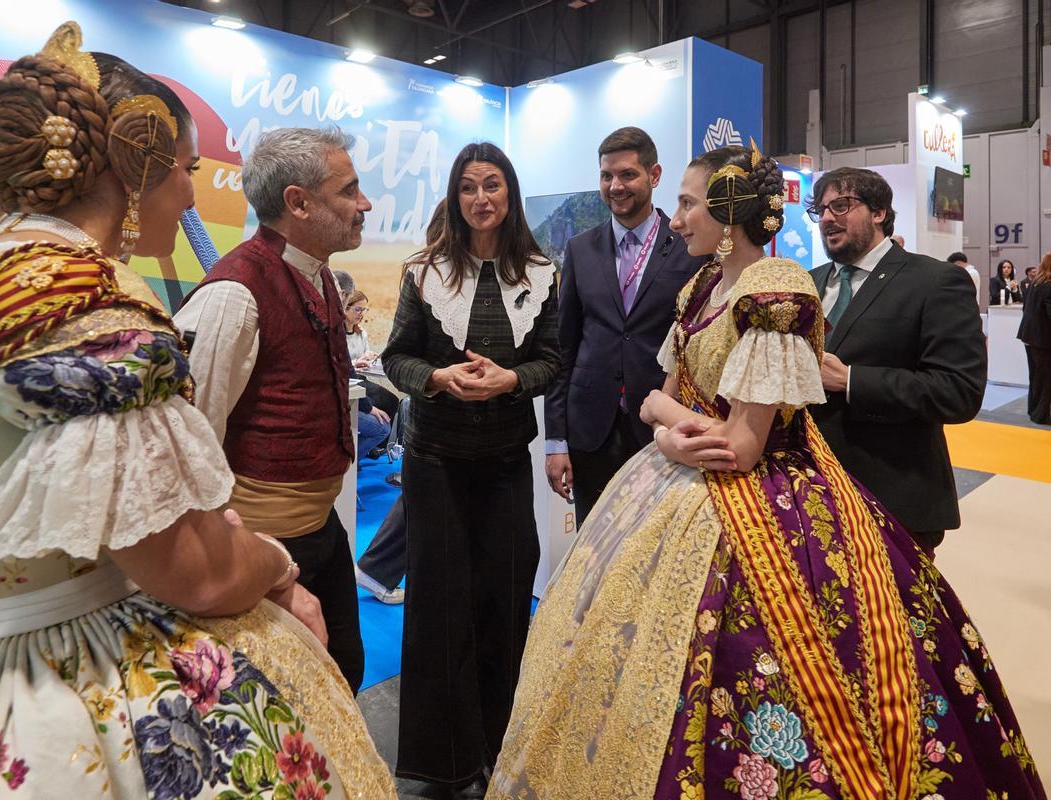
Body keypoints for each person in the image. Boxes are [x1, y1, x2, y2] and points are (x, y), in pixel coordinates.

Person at [0, 24, 395, 799]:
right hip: (57, 679)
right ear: (136, 166)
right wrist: (277, 567)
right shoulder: (99, 312)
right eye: (184, 170)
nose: (189, 192)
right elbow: (188, 569)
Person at [488, 144, 1045, 800]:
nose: (677, 220)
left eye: (690, 205)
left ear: (729, 213)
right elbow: (659, 396)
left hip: (764, 502)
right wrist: (675, 433)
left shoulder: (777, 290)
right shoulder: (701, 286)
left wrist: (675, 426)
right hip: (681, 482)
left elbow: (741, 446)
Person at [382, 142, 559, 798]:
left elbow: (552, 358)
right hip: (436, 467)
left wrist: (511, 378)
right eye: (468, 187)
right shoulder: (424, 271)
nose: (481, 198)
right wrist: (436, 377)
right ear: (454, 200)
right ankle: (441, 766)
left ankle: (502, 745)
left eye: (492, 185)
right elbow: (394, 358)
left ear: (509, 195)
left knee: (506, 603)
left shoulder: (541, 271)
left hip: (507, 465)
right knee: (437, 612)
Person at [174, 126, 370, 693]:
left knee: (342, 674)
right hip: (261, 549)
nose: (365, 204)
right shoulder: (234, 295)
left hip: (319, 533)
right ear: (298, 202)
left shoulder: (319, 274)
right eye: (349, 191)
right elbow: (192, 447)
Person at [808, 170, 986, 553]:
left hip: (894, 499)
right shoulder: (807, 283)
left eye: (841, 205)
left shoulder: (935, 281)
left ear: (879, 212)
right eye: (819, 209)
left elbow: (959, 392)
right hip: (810, 498)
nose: (826, 218)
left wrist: (852, 380)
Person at [545, 126, 706, 527]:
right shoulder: (581, 249)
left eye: (627, 175)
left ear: (654, 176)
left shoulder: (689, 249)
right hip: (589, 430)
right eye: (606, 176)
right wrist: (555, 441)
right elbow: (563, 348)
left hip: (659, 428)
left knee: (653, 549)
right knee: (592, 546)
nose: (615, 186)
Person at [354, 201, 448, 606]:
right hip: (440, 414)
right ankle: (376, 569)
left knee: (422, 497)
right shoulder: (426, 277)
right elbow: (399, 356)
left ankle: (375, 569)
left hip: (438, 415)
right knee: (425, 496)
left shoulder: (428, 274)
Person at [343, 289, 392, 462]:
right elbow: (345, 365)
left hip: (359, 377)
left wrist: (368, 360)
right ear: (345, 308)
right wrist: (357, 363)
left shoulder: (360, 332)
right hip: (350, 381)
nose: (361, 314)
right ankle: (356, 455)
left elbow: (358, 360)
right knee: (376, 404)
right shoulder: (336, 334)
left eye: (364, 310)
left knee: (391, 400)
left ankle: (375, 447)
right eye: (358, 309)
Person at [1019, 251, 1051, 424]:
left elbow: (1026, 308)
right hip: (1044, 339)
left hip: (1030, 336)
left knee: (1035, 375)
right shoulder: (1049, 285)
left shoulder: (1035, 283)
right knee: (1045, 378)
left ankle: (1034, 410)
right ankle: (1041, 415)